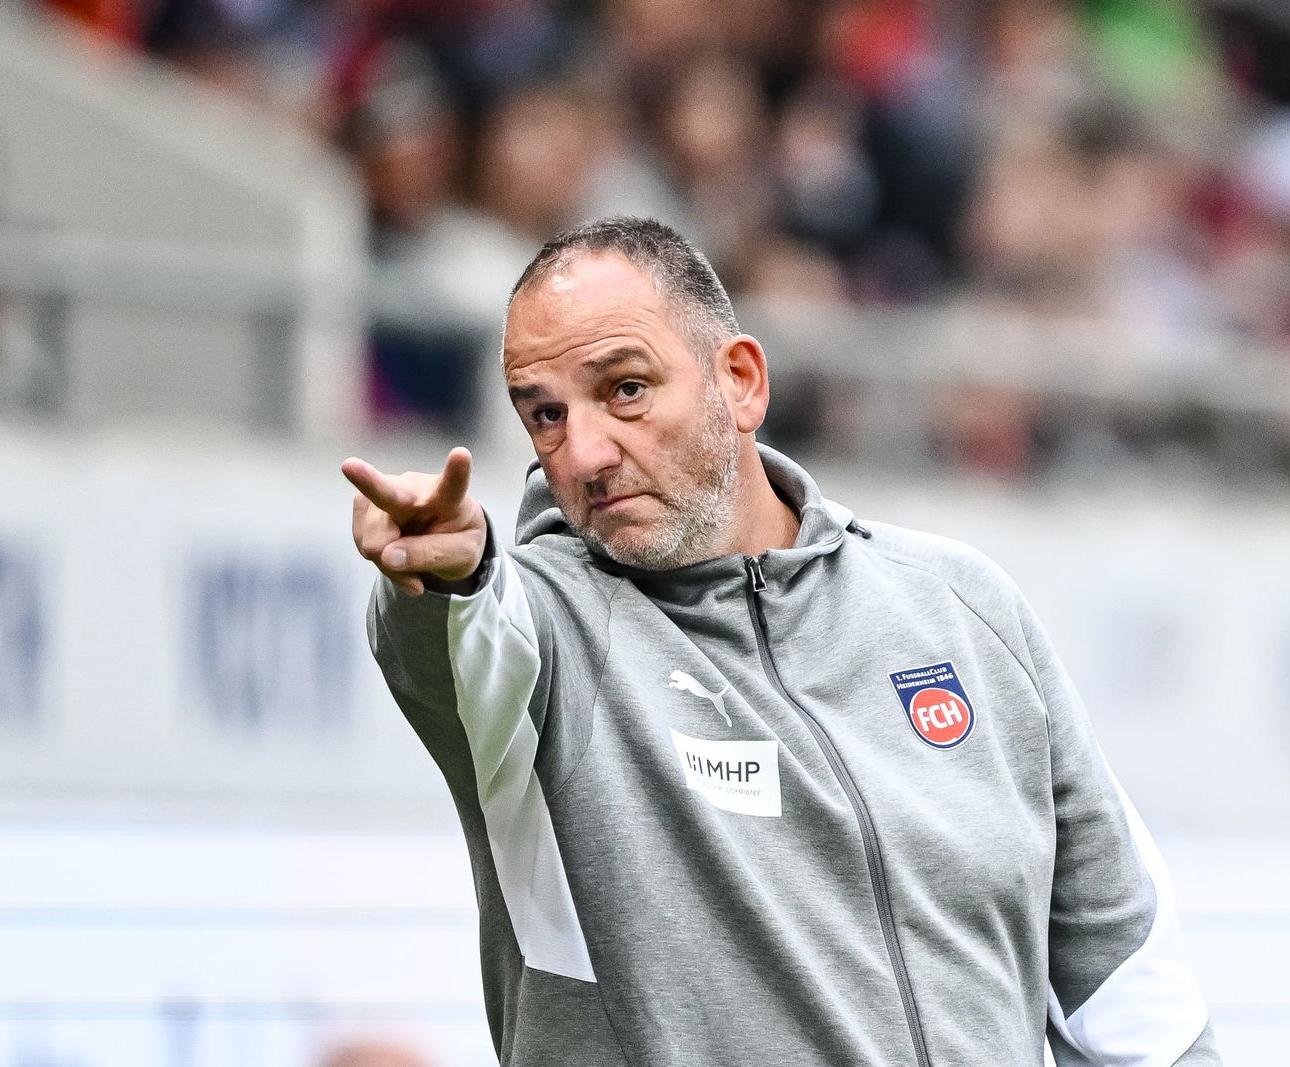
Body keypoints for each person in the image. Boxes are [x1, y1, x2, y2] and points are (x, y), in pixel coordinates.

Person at [343, 216, 1221, 1066]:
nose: (584, 453)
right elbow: (462, 645)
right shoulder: (544, 629)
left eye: (626, 388)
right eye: (544, 415)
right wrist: (445, 579)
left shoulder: (961, 604)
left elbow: (1130, 988)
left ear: (741, 381)